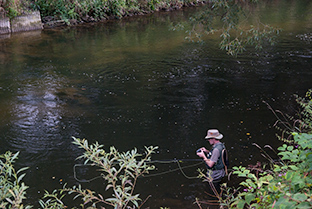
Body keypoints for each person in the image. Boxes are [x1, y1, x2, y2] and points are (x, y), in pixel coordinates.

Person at [196, 129, 227, 194]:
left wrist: (203, 156)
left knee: (213, 192)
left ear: (213, 138)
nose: (208, 140)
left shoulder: (216, 149)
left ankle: (215, 201)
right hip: (221, 172)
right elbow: (216, 156)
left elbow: (210, 164)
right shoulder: (220, 145)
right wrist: (206, 151)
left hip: (216, 175)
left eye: (209, 139)